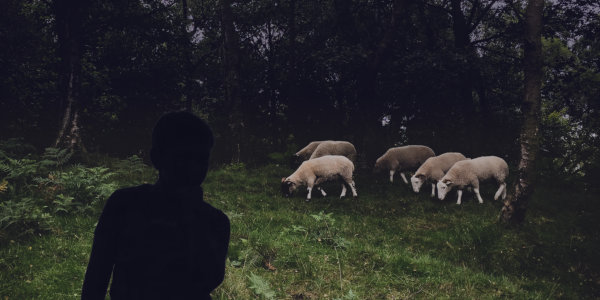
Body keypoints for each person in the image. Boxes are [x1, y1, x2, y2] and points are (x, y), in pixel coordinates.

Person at [82, 111, 230, 300]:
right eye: (183, 157)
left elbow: (209, 279)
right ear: (156, 157)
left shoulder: (216, 221)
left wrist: (189, 218)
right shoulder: (123, 205)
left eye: (201, 159)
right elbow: (97, 275)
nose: (192, 167)